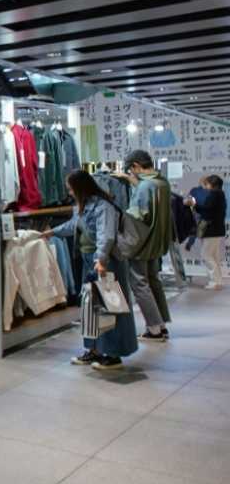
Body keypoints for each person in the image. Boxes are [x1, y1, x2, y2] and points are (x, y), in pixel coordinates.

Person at [42, 170, 138, 371]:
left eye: (70, 188)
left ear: (80, 188)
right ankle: (93, 349)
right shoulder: (84, 206)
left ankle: (113, 354)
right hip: (90, 261)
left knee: (111, 307)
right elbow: (74, 225)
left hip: (106, 262)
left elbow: (106, 235)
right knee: (90, 308)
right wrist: (53, 232)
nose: (69, 192)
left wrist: (101, 260)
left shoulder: (103, 206)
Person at [123, 150, 173, 341]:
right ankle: (161, 324)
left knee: (140, 284)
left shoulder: (145, 187)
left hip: (142, 242)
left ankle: (154, 329)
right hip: (157, 240)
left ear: (136, 166)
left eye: (131, 169)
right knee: (153, 281)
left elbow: (137, 215)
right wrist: (131, 182)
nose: (131, 173)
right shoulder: (162, 182)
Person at [186, 174, 227, 290]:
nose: (205, 185)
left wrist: (193, 205)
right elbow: (208, 209)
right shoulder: (220, 194)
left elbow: (206, 210)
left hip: (212, 230)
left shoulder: (214, 195)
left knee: (206, 255)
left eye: (207, 183)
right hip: (217, 229)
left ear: (212, 184)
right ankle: (217, 281)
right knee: (214, 256)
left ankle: (215, 281)